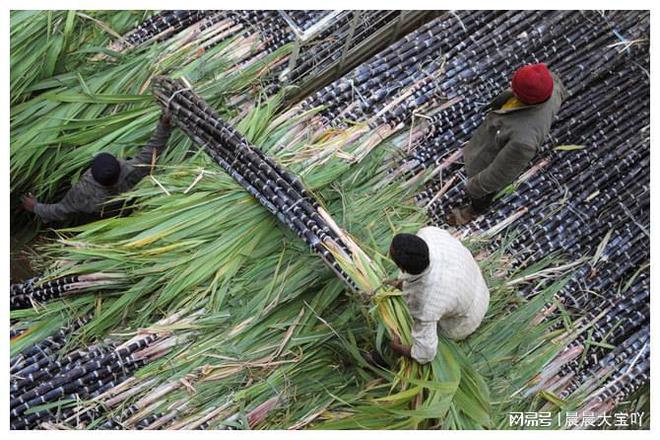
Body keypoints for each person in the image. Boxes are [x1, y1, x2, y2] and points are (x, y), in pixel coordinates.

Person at [447, 63, 566, 226]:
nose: (510, 85)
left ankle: (471, 212)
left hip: (489, 164)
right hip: (501, 128)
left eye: (514, 87)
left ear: (524, 98)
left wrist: (474, 186)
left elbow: (500, 173)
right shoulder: (547, 82)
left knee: (483, 194)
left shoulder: (524, 139)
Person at [22, 112, 173, 225]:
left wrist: (36, 207)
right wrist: (164, 125)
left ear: (91, 173)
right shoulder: (132, 171)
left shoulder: (83, 192)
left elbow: (61, 210)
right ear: (119, 167)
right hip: (126, 212)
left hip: (104, 219)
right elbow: (152, 150)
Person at [386, 226, 489, 364]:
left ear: (403, 268)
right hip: (474, 282)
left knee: (416, 326)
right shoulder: (429, 234)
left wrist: (398, 348)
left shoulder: (425, 302)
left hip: (469, 316)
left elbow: (426, 353)